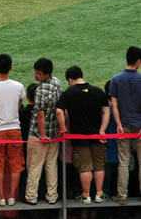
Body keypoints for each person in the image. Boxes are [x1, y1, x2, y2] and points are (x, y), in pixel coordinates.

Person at [55, 66, 109, 204]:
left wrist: (63, 128)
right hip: (97, 137)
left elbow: (59, 112)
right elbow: (106, 111)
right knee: (99, 165)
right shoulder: (98, 91)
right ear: (82, 75)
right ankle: (99, 193)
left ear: (70, 79)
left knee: (84, 167)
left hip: (79, 138)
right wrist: (102, 130)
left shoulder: (69, 93)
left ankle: (86, 195)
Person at [0, 54, 25, 207]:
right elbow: (19, 105)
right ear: (11, 67)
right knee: (16, 163)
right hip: (14, 129)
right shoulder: (18, 86)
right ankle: (11, 197)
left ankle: (1, 197)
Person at [25, 57, 61, 205]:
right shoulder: (57, 83)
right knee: (51, 166)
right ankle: (52, 196)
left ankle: (31, 196)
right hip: (54, 132)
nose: (36, 76)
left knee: (34, 166)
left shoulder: (40, 90)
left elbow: (40, 114)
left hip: (39, 135)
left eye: (38, 73)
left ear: (46, 74)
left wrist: (43, 135)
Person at [109, 46, 141, 205]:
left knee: (123, 161)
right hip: (139, 126)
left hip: (124, 126)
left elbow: (114, 105)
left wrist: (119, 124)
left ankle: (122, 196)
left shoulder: (116, 79)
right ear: (138, 62)